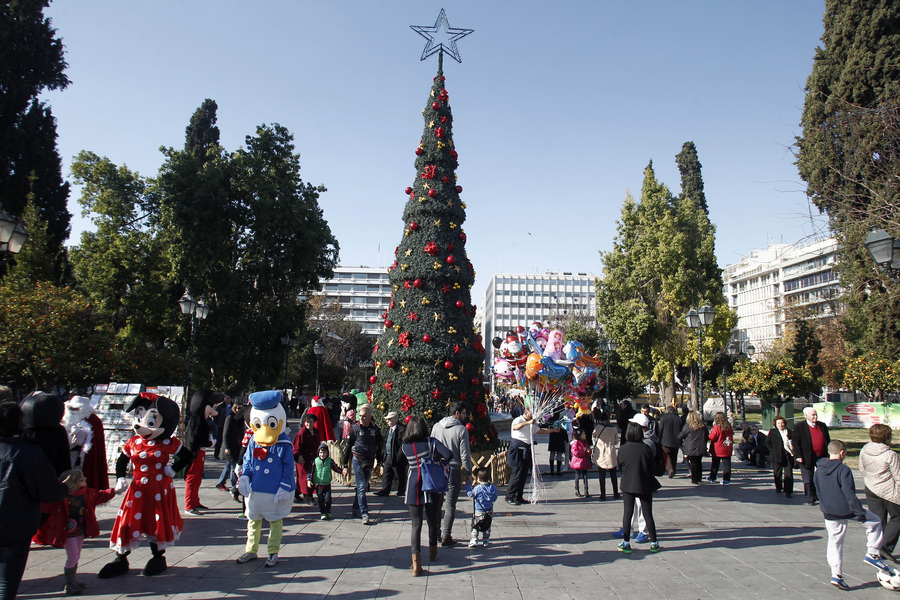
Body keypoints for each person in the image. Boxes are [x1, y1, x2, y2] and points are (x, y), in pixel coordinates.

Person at [0, 401, 68, 600]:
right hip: (14, 523)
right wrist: (65, 487)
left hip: (14, 522)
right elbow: (49, 491)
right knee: (6, 582)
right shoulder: (26, 452)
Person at [814, 440, 890, 590]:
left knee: (835, 541)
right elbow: (849, 493)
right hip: (845, 509)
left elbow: (817, 488)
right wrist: (859, 512)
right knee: (875, 521)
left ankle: (836, 574)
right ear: (842, 453)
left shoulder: (819, 469)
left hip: (828, 511)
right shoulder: (843, 470)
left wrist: (824, 505)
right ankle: (873, 553)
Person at [32, 469, 118, 595]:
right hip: (67, 532)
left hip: (80, 530)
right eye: (81, 479)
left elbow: (101, 495)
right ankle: (69, 583)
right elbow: (44, 505)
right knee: (72, 556)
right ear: (72, 482)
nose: (84, 480)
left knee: (76, 555)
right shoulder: (60, 497)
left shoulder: (86, 493)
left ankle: (73, 581)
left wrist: (115, 490)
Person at [235, 390, 295, 568]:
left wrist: (285, 486)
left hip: (274, 489)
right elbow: (248, 460)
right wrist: (245, 476)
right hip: (256, 488)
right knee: (253, 521)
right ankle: (251, 550)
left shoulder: (284, 444)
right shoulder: (254, 440)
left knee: (275, 521)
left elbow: (288, 467)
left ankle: (273, 551)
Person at [402, 415, 452, 576]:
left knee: (416, 524)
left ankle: (416, 563)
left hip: (413, 484)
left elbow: (397, 460)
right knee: (432, 519)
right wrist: (436, 459)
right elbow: (449, 455)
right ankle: (432, 551)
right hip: (431, 483)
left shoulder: (405, 446)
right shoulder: (431, 442)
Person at [430, 400, 472, 547]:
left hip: (437, 468)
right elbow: (465, 454)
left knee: (436, 503)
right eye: (464, 413)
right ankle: (446, 535)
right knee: (450, 504)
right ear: (456, 414)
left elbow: (432, 447)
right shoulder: (461, 430)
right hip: (453, 469)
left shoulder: (436, 426)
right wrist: (468, 472)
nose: (465, 416)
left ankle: (434, 533)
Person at [617, 421, 662, 554]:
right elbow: (653, 468)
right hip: (644, 483)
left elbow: (620, 466)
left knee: (628, 513)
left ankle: (626, 542)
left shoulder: (623, 449)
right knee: (648, 514)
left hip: (628, 483)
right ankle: (654, 542)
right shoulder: (646, 448)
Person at [858, 423, 900, 563]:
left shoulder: (865, 450)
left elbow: (862, 469)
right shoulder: (890, 455)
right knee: (897, 517)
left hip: (871, 487)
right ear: (886, 438)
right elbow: (898, 476)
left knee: (878, 519)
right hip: (888, 490)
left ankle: (875, 547)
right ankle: (885, 546)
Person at [505, 405, 556, 506]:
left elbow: (540, 430)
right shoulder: (518, 420)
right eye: (531, 413)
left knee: (523, 475)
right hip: (518, 451)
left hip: (527, 450)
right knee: (517, 474)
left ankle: (518, 496)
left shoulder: (532, 423)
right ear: (527, 412)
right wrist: (528, 422)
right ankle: (509, 496)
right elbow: (515, 427)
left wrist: (553, 430)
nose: (533, 416)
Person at [342, 403, 382, 525]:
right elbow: (349, 447)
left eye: (365, 416)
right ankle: (364, 513)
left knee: (362, 487)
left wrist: (379, 463)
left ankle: (355, 507)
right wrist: (345, 466)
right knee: (361, 486)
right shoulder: (355, 428)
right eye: (360, 416)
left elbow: (379, 447)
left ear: (370, 416)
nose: (362, 418)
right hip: (357, 459)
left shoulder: (375, 430)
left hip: (369, 460)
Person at [183, 389, 221, 515]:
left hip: (200, 452)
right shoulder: (197, 421)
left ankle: (195, 501)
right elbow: (196, 439)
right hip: (195, 453)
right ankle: (189, 505)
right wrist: (210, 443)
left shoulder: (201, 420)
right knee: (192, 478)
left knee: (197, 478)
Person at [794, 406, 831, 505]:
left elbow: (827, 440)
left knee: (822, 477)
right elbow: (796, 442)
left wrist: (829, 454)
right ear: (806, 416)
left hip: (821, 456)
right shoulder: (799, 427)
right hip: (806, 457)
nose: (815, 417)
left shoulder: (822, 426)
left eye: (816, 414)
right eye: (813, 415)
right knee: (808, 479)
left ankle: (821, 496)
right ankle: (810, 497)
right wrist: (798, 456)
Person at [216, 398, 246, 493]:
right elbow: (225, 434)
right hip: (231, 446)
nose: (239, 410)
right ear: (234, 408)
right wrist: (226, 447)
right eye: (238, 408)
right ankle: (234, 487)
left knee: (229, 465)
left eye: (241, 408)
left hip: (237, 446)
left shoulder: (241, 419)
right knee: (233, 466)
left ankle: (221, 482)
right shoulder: (230, 418)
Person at [308, 442, 343, 520]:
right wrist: (309, 480)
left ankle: (328, 510)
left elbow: (335, 468)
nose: (322, 455)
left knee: (328, 499)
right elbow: (311, 471)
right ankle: (323, 512)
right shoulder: (315, 461)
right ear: (318, 453)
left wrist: (342, 471)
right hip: (318, 484)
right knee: (320, 499)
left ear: (327, 453)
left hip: (327, 483)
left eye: (324, 452)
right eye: (321, 453)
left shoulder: (329, 461)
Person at [375, 411, 407, 497]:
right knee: (387, 472)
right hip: (389, 455)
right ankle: (385, 489)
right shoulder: (389, 429)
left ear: (395, 419)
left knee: (399, 473)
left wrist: (399, 456)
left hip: (396, 456)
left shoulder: (401, 429)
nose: (387, 421)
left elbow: (402, 444)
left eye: (389, 419)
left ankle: (401, 490)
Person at [466, 467, 498, 547]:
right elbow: (495, 497)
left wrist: (468, 486)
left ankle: (474, 539)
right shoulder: (493, 488)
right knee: (487, 525)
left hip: (479, 510)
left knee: (476, 525)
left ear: (478, 478)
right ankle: (486, 540)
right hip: (489, 510)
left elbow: (470, 494)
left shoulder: (478, 488)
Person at [292, 413, 320, 504]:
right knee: (305, 479)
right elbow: (296, 448)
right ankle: (308, 497)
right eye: (307, 422)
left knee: (310, 477)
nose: (309, 424)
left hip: (313, 459)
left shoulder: (316, 432)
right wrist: (298, 456)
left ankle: (296, 493)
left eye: (311, 422)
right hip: (303, 460)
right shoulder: (301, 433)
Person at [591, 411, 619, 501]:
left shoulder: (598, 428)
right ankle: (616, 492)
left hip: (601, 453)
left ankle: (603, 494)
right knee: (613, 474)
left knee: (601, 474)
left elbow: (593, 436)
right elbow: (616, 442)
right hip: (611, 452)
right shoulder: (614, 429)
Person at [766, 415, 795, 498]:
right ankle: (778, 487)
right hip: (777, 456)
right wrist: (772, 450)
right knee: (777, 473)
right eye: (778, 423)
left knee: (788, 474)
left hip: (787, 455)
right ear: (776, 424)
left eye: (782, 423)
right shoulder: (773, 432)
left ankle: (788, 491)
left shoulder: (790, 432)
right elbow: (767, 443)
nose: (781, 425)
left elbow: (794, 442)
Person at [678, 411, 709, 485]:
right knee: (698, 462)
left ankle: (694, 478)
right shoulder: (702, 426)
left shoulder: (688, 426)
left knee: (693, 463)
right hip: (700, 446)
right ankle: (699, 477)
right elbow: (707, 435)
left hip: (690, 447)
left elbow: (681, 435)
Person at [656, 405, 683, 479]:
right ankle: (673, 469)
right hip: (676, 440)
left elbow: (660, 429)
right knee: (674, 456)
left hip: (666, 440)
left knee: (667, 455)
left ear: (667, 410)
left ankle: (670, 469)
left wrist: (659, 438)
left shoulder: (664, 418)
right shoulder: (678, 418)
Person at [707, 412, 734, 485]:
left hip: (718, 448)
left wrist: (708, 435)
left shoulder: (717, 427)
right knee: (727, 465)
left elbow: (712, 437)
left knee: (715, 464)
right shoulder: (729, 426)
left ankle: (712, 477)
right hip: (727, 447)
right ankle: (726, 479)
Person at [546, 411, 569, 476]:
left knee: (552, 454)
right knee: (559, 454)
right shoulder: (562, 420)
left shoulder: (550, 420)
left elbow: (545, 426)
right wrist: (566, 439)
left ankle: (552, 470)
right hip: (560, 439)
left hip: (552, 438)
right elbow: (564, 429)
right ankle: (558, 471)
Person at [570, 429, 591, 498]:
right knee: (577, 475)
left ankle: (586, 490)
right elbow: (575, 452)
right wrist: (583, 451)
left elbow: (587, 452)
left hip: (584, 461)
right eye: (583, 434)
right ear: (580, 436)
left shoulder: (585, 442)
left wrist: (588, 451)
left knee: (585, 476)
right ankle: (577, 490)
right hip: (577, 462)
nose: (585, 435)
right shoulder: (575, 443)